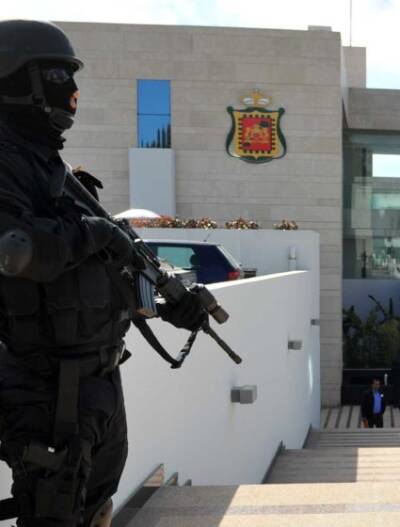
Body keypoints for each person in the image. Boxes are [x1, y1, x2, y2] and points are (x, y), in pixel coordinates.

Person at [0, 20, 207, 527]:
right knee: (53, 514)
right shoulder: (8, 162)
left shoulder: (52, 166)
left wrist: (167, 302)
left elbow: (103, 271)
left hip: (97, 379)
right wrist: (96, 232)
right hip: (46, 386)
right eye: (57, 76)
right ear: (15, 80)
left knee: (94, 512)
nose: (72, 91)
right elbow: (17, 252)